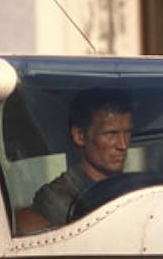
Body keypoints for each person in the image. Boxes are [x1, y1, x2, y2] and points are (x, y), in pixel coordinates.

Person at [31, 88, 133, 227]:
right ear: (79, 135)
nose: (123, 145)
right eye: (111, 134)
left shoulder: (135, 186)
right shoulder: (58, 197)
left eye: (127, 133)